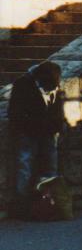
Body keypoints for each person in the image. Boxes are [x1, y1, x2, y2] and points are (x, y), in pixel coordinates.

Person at [7, 61, 63, 218]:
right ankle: (22, 205)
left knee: (51, 168)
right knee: (25, 167)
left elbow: (57, 107)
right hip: (29, 133)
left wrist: (56, 127)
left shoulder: (53, 82)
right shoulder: (23, 84)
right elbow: (15, 112)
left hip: (48, 133)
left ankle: (49, 203)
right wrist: (27, 128)